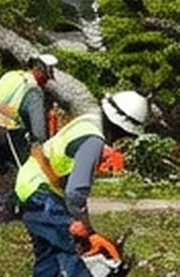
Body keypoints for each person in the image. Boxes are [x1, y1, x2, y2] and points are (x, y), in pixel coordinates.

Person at [17, 90, 150, 277]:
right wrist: (87, 230)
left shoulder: (86, 122)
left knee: (49, 256)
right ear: (121, 129)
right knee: (70, 253)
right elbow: (75, 192)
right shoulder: (93, 141)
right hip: (42, 192)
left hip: (28, 185)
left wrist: (86, 227)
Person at [0, 53, 58, 210]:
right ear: (39, 72)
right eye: (46, 77)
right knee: (22, 171)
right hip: (7, 131)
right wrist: (42, 145)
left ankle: (3, 207)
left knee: (5, 171)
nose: (46, 82)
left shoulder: (11, 76)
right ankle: (23, 207)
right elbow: (37, 125)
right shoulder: (33, 90)